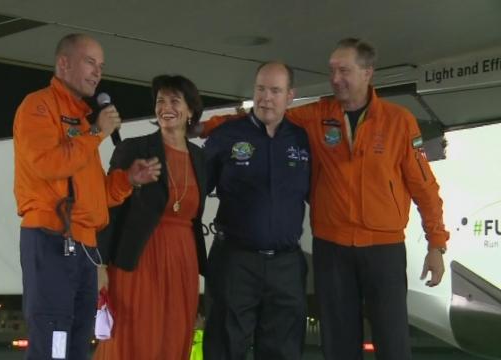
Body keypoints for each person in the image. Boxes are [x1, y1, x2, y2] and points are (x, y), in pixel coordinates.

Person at [198, 38, 449, 360]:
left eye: (343, 70)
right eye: (332, 71)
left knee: (393, 341)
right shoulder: (315, 116)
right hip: (333, 249)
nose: (335, 79)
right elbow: (266, 115)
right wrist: (214, 125)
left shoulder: (399, 121)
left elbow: (425, 187)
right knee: (338, 344)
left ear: (367, 73)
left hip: (383, 248)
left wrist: (436, 244)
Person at [13, 33, 161, 360]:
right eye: (90, 62)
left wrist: (128, 180)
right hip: (51, 238)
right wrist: (95, 133)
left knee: (80, 338)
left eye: (101, 66)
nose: (97, 72)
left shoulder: (82, 119)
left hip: (85, 247)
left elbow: (93, 197)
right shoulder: (38, 106)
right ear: (63, 63)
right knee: (54, 336)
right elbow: (47, 165)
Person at [93, 75, 207, 360]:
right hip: (138, 259)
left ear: (191, 110)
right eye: (160, 101)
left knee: (174, 337)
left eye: (174, 101)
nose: (165, 107)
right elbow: (109, 208)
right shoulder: (133, 149)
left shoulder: (201, 159)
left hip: (184, 261)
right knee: (134, 338)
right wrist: (99, 263)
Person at [202, 62, 310, 359]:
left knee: (284, 351)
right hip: (235, 263)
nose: (266, 98)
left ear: (290, 96)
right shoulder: (225, 136)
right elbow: (193, 193)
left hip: (286, 267)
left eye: (275, 90)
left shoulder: (303, 140)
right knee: (224, 347)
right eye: (260, 89)